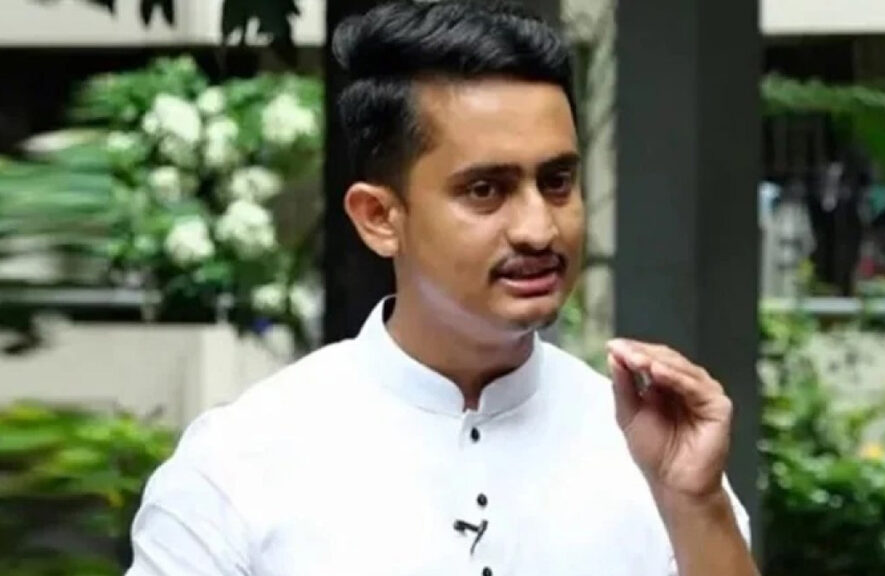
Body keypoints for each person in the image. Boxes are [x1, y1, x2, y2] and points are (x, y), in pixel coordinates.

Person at [125, 1, 759, 574]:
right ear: (379, 217)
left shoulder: (650, 457)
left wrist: (696, 503)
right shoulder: (239, 463)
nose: (539, 228)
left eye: (557, 182)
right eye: (485, 190)